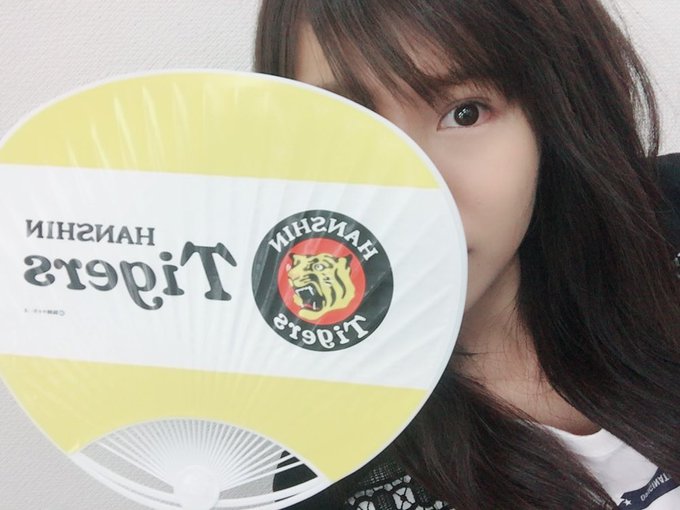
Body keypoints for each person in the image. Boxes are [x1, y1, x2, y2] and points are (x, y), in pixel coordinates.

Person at [254, 1, 680, 508]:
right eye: (347, 126)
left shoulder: (666, 221)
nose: (414, 197)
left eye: (465, 113)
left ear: (552, 115)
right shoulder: (327, 471)